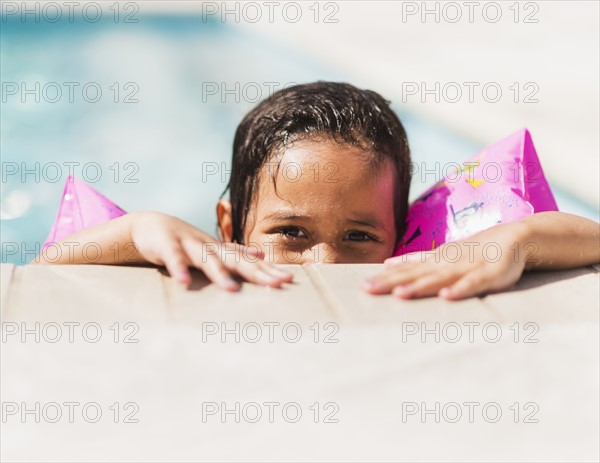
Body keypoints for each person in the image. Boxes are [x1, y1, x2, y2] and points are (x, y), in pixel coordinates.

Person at [39, 82, 600, 300]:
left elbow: (591, 239)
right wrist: (139, 228)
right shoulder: (210, 267)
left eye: (359, 235)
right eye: (291, 232)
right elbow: (43, 271)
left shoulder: (409, 268)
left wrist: (516, 240)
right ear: (230, 227)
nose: (326, 262)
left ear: (401, 235)